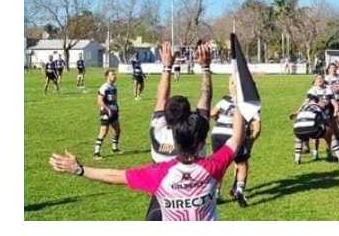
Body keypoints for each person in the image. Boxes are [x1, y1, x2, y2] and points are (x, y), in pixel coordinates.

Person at [49, 52, 246, 221]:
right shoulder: (212, 166)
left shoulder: (159, 167)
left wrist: (79, 169)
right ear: (201, 141)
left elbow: (115, 176)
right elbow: (235, 138)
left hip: (159, 203)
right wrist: (235, 96)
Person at [145, 40, 213, 220]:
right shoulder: (194, 137)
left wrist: (166, 67)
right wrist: (205, 68)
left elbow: (161, 99)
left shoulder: (157, 132)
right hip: (193, 205)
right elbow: (206, 99)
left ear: (165, 116)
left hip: (160, 204)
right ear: (189, 116)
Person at [210, 78, 261, 207]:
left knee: (219, 164)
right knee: (242, 163)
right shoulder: (250, 103)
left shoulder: (224, 99)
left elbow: (212, 113)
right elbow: (257, 126)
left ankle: (216, 193)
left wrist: (219, 119)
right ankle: (239, 190)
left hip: (217, 133)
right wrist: (251, 140)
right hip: (235, 134)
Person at [94, 69, 122, 159]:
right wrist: (108, 109)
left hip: (113, 112)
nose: (114, 76)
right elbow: (99, 101)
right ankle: (96, 152)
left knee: (117, 130)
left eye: (115, 74)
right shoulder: (104, 87)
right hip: (106, 112)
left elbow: (114, 100)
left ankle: (114, 148)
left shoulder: (114, 87)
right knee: (103, 131)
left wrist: (116, 108)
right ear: (107, 76)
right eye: (112, 74)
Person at [291, 100, 327, 164]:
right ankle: (315, 153)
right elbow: (324, 120)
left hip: (298, 129)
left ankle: (297, 157)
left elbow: (297, 114)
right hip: (312, 128)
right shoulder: (318, 108)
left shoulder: (304, 105)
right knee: (316, 131)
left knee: (299, 137)